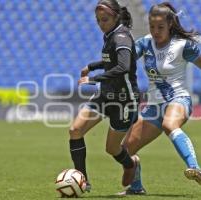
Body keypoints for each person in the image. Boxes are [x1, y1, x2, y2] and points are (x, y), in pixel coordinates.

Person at [119, 2, 201, 194]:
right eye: (152, 26)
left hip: (178, 99)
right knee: (126, 150)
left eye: (160, 27)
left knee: (170, 125)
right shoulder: (145, 43)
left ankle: (195, 167)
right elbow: (123, 62)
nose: (155, 31)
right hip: (154, 106)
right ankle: (136, 188)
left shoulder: (182, 45)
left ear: (170, 24)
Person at [68, 0, 141, 192]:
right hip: (105, 95)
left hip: (124, 100)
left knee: (112, 149)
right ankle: (82, 180)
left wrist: (94, 78)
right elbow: (111, 60)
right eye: (98, 20)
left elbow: (123, 66)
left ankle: (130, 164)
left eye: (105, 19)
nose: (101, 24)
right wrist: (92, 66)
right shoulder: (110, 35)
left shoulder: (122, 37)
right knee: (75, 130)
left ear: (116, 16)